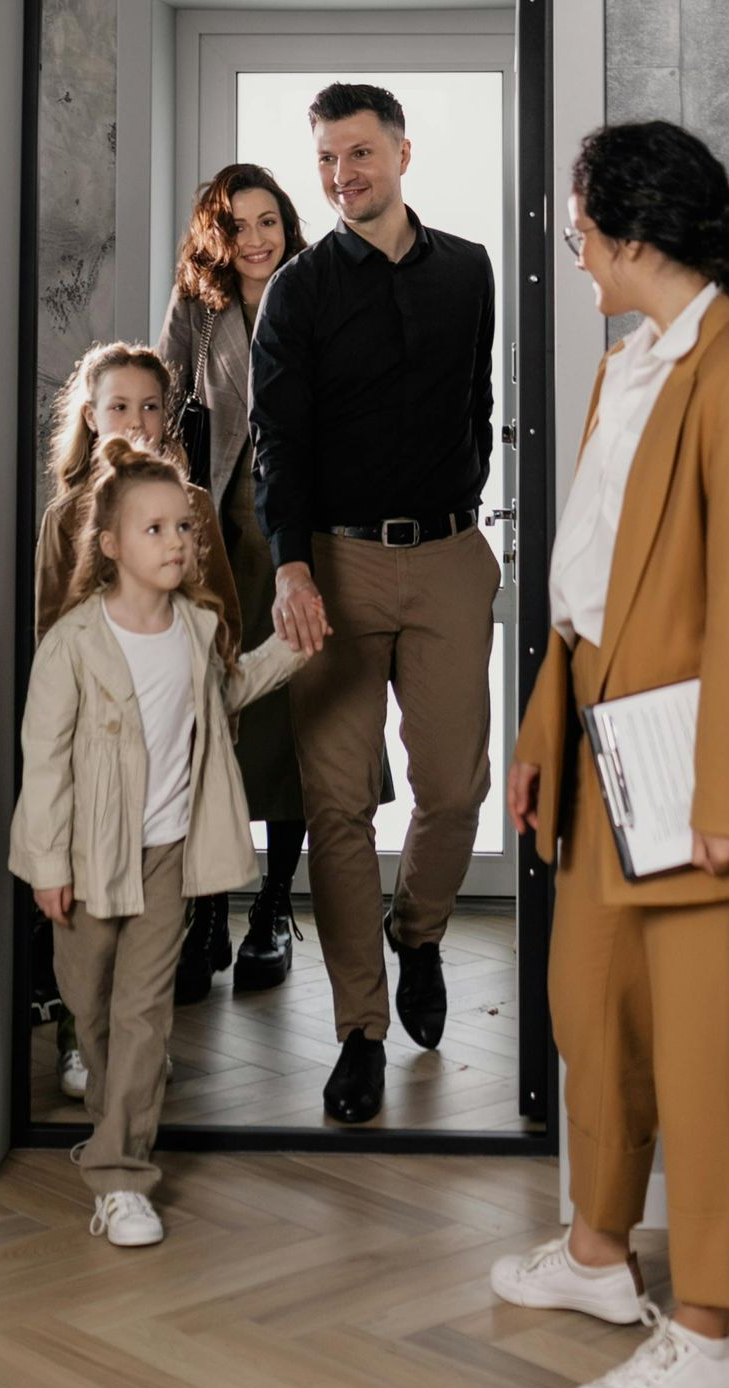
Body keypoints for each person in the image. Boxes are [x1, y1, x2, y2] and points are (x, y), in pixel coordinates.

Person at [490, 121, 729, 1388]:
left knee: (707, 1055)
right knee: (594, 1013)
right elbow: (582, 578)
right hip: (595, 746)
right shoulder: (624, 367)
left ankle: (710, 1327)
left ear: (630, 234)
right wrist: (536, 731)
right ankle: (597, 1255)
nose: (570, 247)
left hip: (698, 771)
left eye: (579, 226)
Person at [250, 81, 499, 1126]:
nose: (342, 174)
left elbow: (481, 399)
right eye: (326, 159)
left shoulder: (472, 271)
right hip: (336, 569)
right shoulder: (297, 293)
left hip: (448, 554)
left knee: (453, 781)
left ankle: (422, 928)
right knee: (340, 800)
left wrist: (465, 504)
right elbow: (279, 445)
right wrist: (293, 569)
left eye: (358, 153)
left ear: (401, 151)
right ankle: (360, 1026)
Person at [11, 436, 315, 1247]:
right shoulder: (73, 643)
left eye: (184, 527)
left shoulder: (198, 629)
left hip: (167, 852)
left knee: (145, 1013)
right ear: (109, 544)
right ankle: (114, 1119)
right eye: (155, 529)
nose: (176, 541)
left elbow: (231, 692)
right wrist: (46, 865)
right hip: (84, 860)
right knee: (92, 1005)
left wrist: (291, 648)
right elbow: (42, 762)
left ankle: (120, 1175)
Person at [34, 341, 240, 1089]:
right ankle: (78, 1039)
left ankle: (142, 1042)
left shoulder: (197, 512)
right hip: (98, 754)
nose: (138, 419)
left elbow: (226, 623)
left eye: (151, 405)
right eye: (119, 406)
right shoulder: (66, 521)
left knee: (157, 915)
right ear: (91, 418)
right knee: (92, 917)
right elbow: (49, 631)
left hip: (176, 747)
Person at [158, 165, 313, 1000]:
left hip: (295, 532)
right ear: (216, 234)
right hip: (216, 533)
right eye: (239, 224)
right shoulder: (197, 304)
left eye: (269, 219)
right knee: (211, 718)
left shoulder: (319, 286)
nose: (257, 237)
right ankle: (209, 915)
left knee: (285, 721)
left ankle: (275, 909)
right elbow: (164, 401)